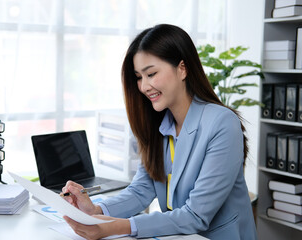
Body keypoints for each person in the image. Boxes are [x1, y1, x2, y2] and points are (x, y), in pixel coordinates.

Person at [62, 24, 257, 240]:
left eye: (151, 74)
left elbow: (195, 215)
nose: (144, 86)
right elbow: (141, 190)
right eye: (138, 77)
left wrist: (113, 227)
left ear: (182, 69)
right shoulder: (160, 125)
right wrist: (96, 212)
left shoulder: (221, 123)